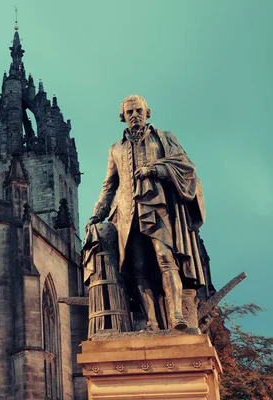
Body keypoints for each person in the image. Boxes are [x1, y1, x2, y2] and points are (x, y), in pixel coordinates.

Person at [87, 95, 206, 331]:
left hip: (157, 207)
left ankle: (176, 317)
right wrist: (97, 214)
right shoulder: (115, 149)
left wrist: (155, 169)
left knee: (165, 258)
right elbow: (109, 185)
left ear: (147, 112)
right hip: (126, 212)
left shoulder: (164, 138)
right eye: (129, 112)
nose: (134, 115)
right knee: (137, 267)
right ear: (123, 117)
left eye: (138, 111)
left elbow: (185, 166)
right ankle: (151, 322)